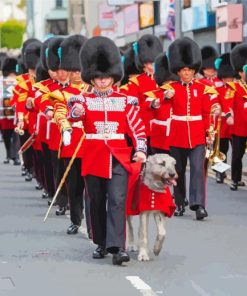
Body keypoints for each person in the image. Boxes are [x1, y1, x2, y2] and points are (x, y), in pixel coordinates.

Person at [68, 36, 147, 265]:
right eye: (98, 78)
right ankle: (101, 242)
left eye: (106, 77)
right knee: (96, 201)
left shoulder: (126, 101)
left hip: (119, 156)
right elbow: (74, 119)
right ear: (91, 78)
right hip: (93, 157)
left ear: (113, 77)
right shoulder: (80, 99)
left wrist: (140, 149)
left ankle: (118, 247)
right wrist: (78, 110)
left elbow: (137, 127)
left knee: (117, 200)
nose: (102, 82)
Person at [166, 37, 215, 220]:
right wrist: (163, 98)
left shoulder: (202, 89)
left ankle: (199, 205)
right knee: (177, 171)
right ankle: (179, 202)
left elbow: (206, 113)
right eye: (183, 70)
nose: (186, 73)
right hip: (177, 136)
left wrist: (208, 132)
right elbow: (158, 109)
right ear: (178, 71)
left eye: (189, 70)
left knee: (197, 169)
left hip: (196, 135)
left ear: (194, 70)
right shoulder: (171, 88)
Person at [225, 43, 247, 190]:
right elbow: (228, 103)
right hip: (239, 127)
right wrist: (229, 115)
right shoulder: (235, 87)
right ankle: (235, 179)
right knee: (237, 155)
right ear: (240, 72)